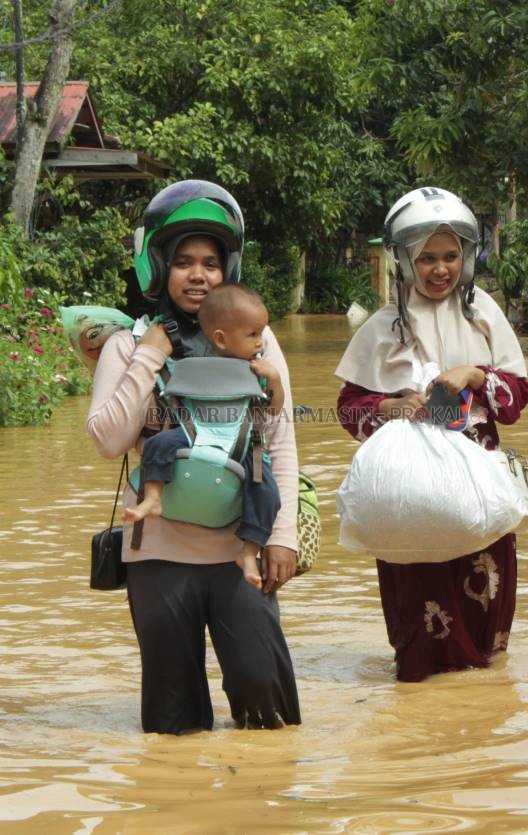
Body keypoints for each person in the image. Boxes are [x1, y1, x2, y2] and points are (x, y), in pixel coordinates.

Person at [88, 180, 301, 733]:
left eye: (210, 262)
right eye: (183, 262)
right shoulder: (127, 344)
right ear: (158, 266)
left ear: (228, 268)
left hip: (241, 551)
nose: (199, 275)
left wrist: (282, 536)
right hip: (157, 554)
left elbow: (278, 441)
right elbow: (107, 440)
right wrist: (147, 359)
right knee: (172, 723)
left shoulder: (258, 343)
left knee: (267, 705)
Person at [336, 186, 528, 682]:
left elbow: (517, 399)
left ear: (466, 257)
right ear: (404, 260)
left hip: (481, 491)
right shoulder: (382, 328)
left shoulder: (485, 315)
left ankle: (475, 715)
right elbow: (347, 409)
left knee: (485, 631)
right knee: (420, 628)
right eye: (427, 258)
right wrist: (391, 406)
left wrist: (476, 376)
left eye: (450, 256)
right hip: (410, 499)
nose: (440, 269)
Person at [122, 283, 284, 589]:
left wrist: (273, 378)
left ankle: (249, 551)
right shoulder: (188, 365)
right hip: (192, 432)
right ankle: (153, 498)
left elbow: (274, 411)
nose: (260, 341)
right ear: (221, 338)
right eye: (252, 334)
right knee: (157, 444)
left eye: (261, 333)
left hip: (241, 442)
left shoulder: (260, 369)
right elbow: (170, 402)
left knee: (268, 491)